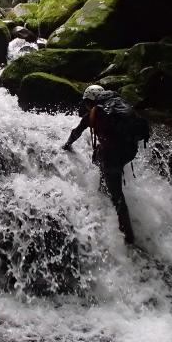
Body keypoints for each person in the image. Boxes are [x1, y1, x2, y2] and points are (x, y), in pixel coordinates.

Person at [62, 85, 150, 244]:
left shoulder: (96, 113)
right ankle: (103, 188)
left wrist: (66, 146)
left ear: (90, 101)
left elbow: (76, 132)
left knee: (117, 195)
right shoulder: (121, 105)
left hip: (113, 155)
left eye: (86, 102)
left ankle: (129, 237)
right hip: (130, 150)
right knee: (101, 158)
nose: (86, 106)